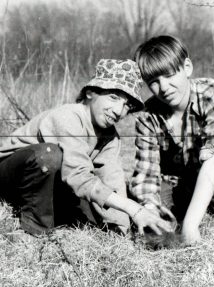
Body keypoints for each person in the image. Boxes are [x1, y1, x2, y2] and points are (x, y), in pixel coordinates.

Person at [0, 58, 173, 236]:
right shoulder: (68, 116)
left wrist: (124, 230)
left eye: (126, 106)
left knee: (93, 216)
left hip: (47, 186)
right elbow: (78, 175)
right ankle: (36, 231)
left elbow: (112, 180)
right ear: (90, 93)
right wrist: (133, 209)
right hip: (10, 178)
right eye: (113, 97)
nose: (118, 111)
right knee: (49, 155)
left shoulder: (110, 137)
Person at [129, 35, 214, 245]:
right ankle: (191, 210)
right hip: (173, 183)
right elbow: (146, 177)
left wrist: (190, 225)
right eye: (154, 82)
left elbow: (213, 162)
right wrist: (149, 211)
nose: (164, 87)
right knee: (154, 237)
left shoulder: (211, 95)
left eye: (169, 75)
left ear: (187, 67)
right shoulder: (147, 116)